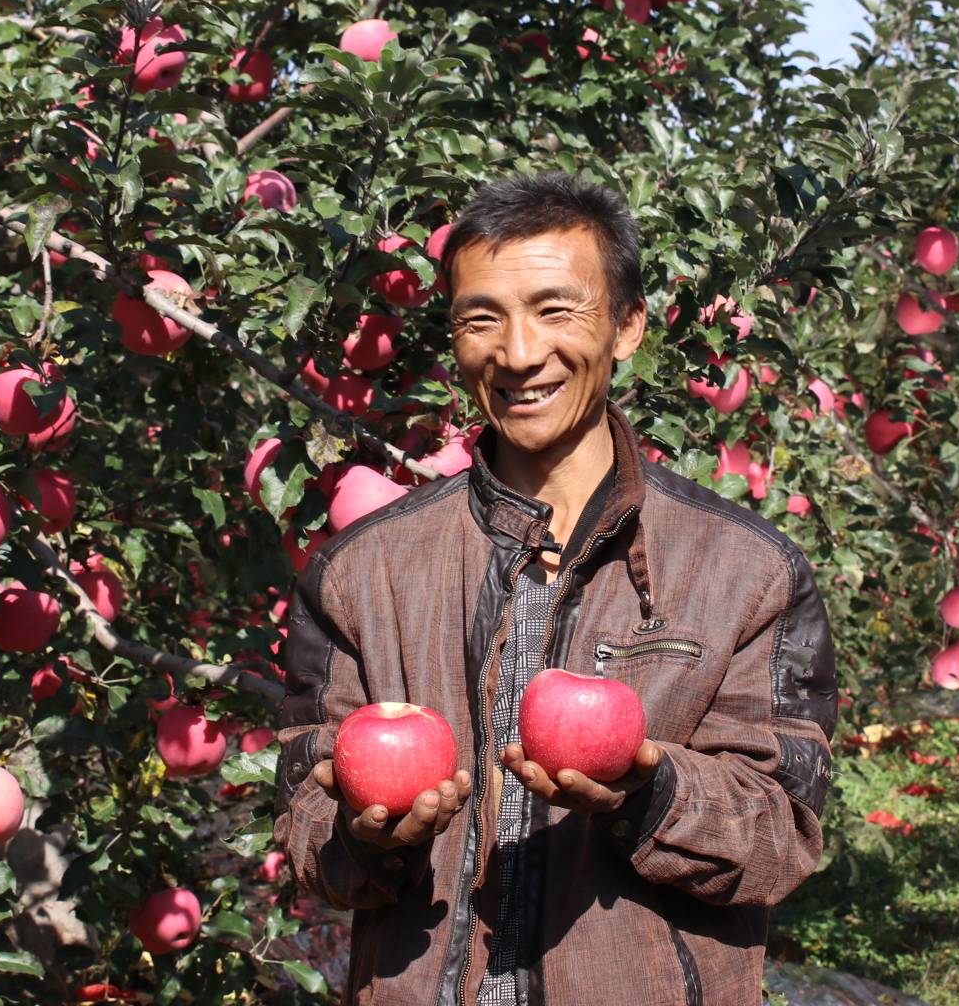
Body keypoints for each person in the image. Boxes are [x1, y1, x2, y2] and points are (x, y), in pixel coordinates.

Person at [273, 171, 838, 1005]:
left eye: (555, 310)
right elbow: (305, 807)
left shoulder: (747, 573)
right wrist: (369, 841)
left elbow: (783, 834)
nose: (519, 352)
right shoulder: (362, 570)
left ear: (628, 326)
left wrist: (651, 792)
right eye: (481, 319)